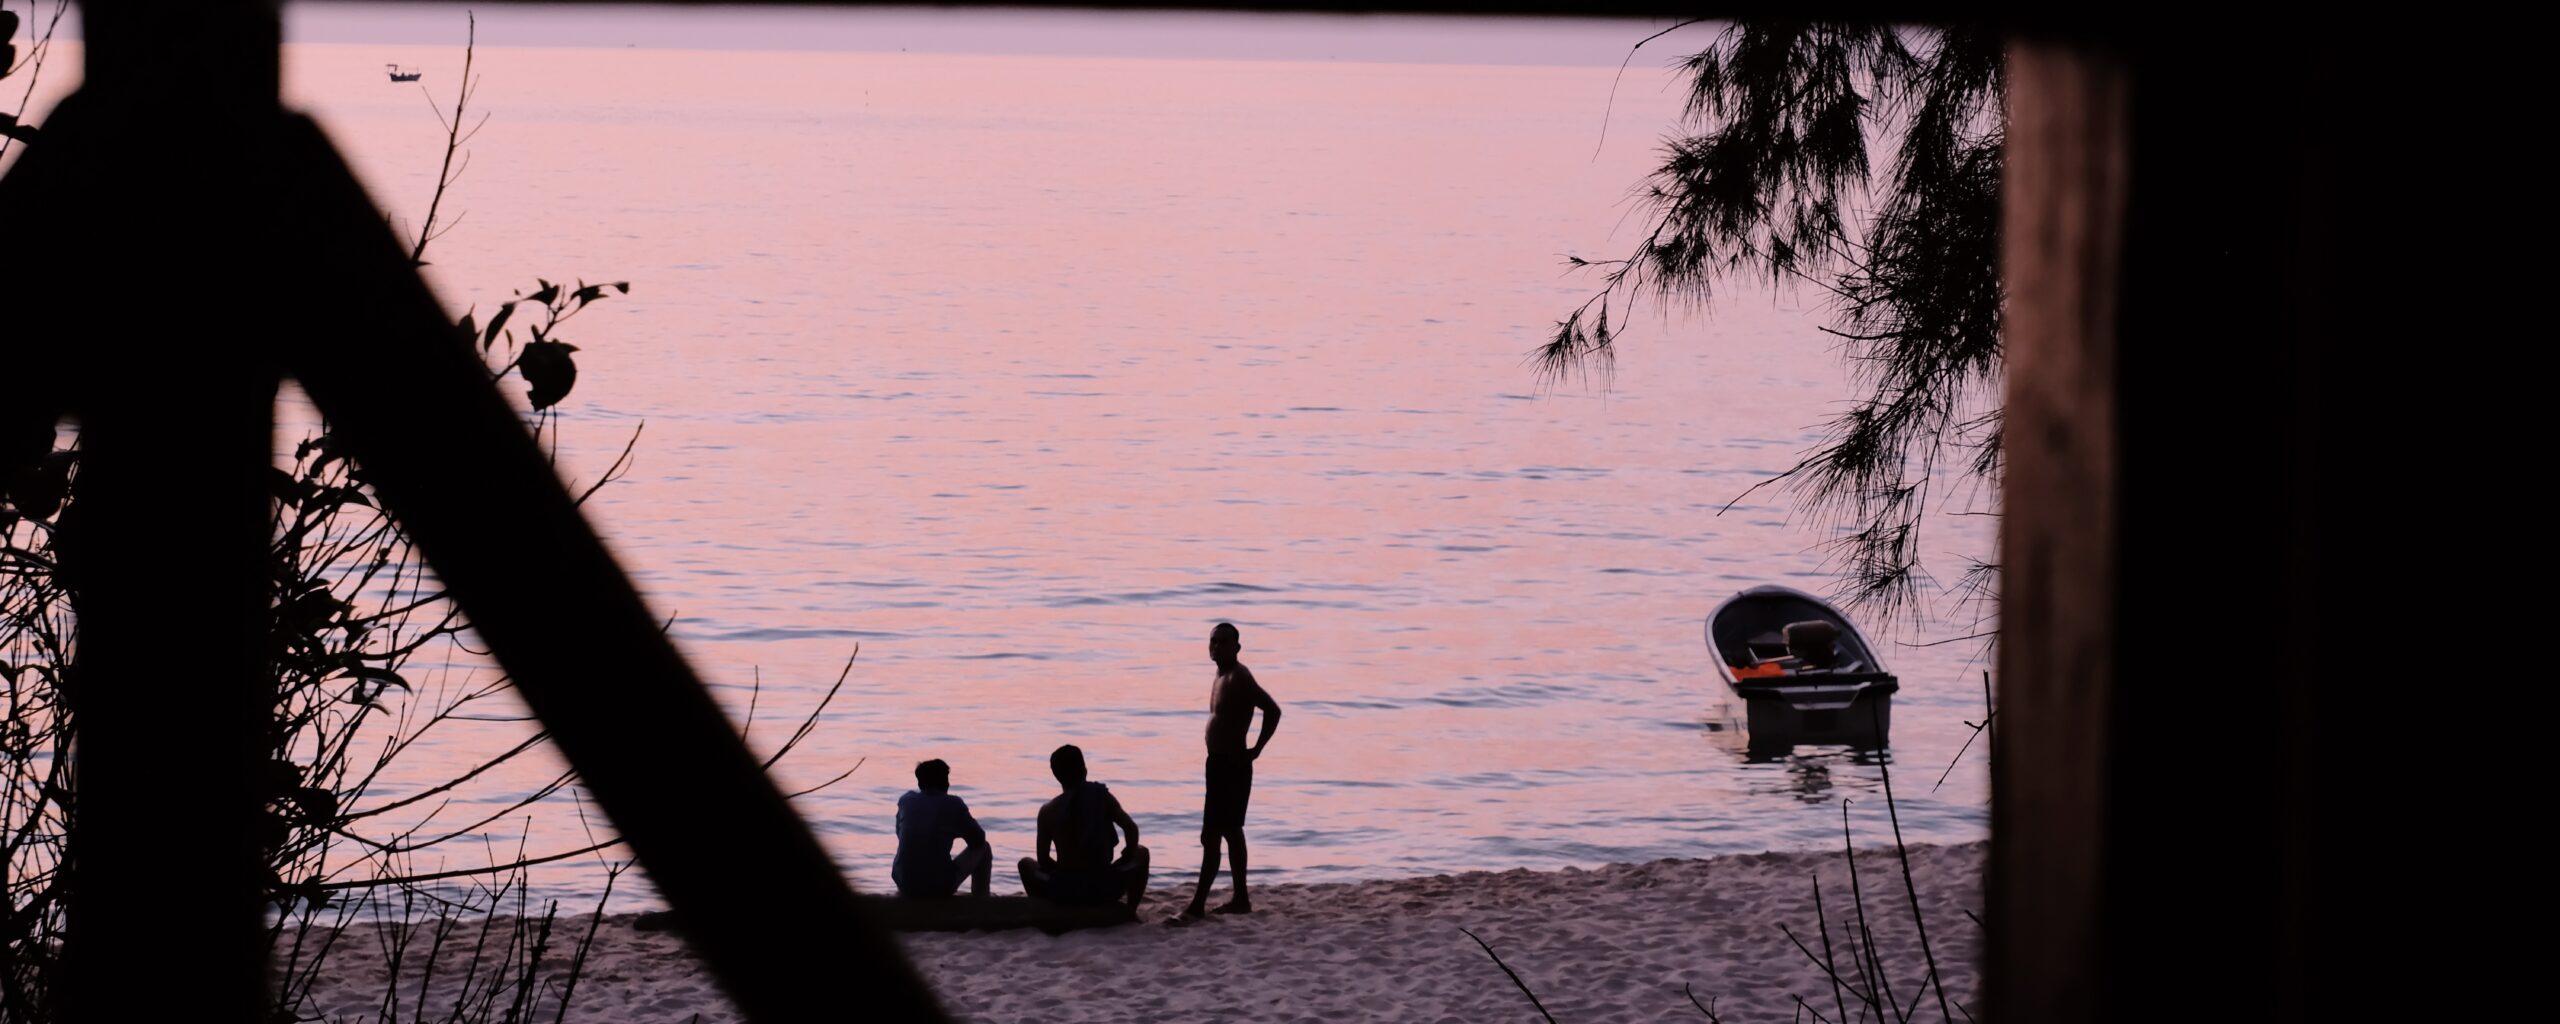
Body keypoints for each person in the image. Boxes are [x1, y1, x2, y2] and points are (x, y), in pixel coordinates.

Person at [1173, 621, 1281, 923]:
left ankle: (1197, 906)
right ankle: (1241, 899)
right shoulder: (1220, 675)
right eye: (1213, 641)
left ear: (1237, 647)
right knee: (1231, 831)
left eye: (1223, 642)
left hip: (1232, 764)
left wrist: (1257, 748)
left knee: (1213, 835)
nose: (1217, 646)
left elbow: (1272, 710)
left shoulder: (1239, 677)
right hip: (1219, 764)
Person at [1017, 744, 1150, 911]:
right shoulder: (1102, 796)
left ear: (1056, 776)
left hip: (1066, 892)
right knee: (1142, 852)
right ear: (1084, 769)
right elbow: (1131, 829)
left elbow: (1043, 860)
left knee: (1025, 865)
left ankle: (1046, 910)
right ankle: (1130, 911)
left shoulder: (1047, 811)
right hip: (1105, 887)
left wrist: (1066, 873)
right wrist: (1127, 854)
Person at [891, 759, 991, 899]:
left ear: (919, 783)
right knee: (984, 848)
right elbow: (978, 839)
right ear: (945, 782)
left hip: (904, 883)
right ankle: (982, 900)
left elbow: (901, 834)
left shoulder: (906, 801)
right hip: (937, 886)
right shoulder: (953, 804)